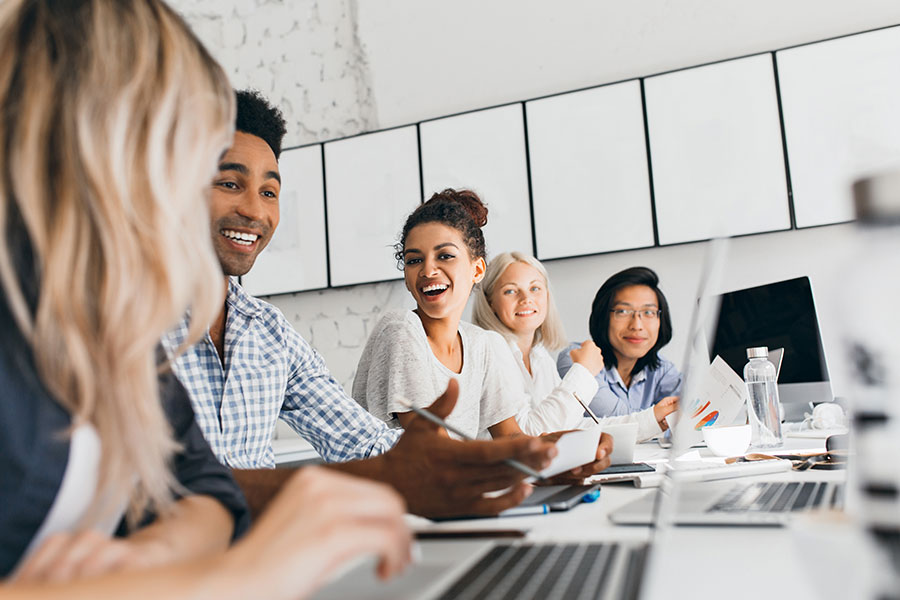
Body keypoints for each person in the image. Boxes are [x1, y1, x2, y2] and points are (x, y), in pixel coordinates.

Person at [0, 0, 411, 596]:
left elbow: (204, 491)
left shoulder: (105, 316)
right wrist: (236, 576)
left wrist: (150, 558)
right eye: (184, 150)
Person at [164, 91, 558, 518]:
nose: (254, 210)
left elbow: (362, 440)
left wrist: (541, 464)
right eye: (229, 184)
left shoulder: (269, 334)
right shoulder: (121, 322)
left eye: (270, 191)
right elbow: (136, 489)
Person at [354, 190, 613, 478]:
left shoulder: (483, 344)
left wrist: (562, 454)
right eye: (414, 260)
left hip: (454, 492)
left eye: (445, 256)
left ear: (477, 269)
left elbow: (511, 438)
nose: (428, 269)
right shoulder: (402, 330)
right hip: (398, 501)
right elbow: (434, 450)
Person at [472, 252, 675, 440]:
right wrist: (584, 371)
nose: (526, 299)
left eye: (535, 288)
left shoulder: (540, 357)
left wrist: (652, 419)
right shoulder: (490, 346)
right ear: (490, 302)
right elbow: (528, 436)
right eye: (510, 291)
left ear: (547, 296)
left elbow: (571, 429)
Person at [557, 266, 681, 422]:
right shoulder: (576, 358)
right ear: (603, 317)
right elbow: (620, 421)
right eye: (623, 311)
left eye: (648, 312)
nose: (637, 325)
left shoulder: (662, 370)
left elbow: (691, 414)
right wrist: (662, 416)